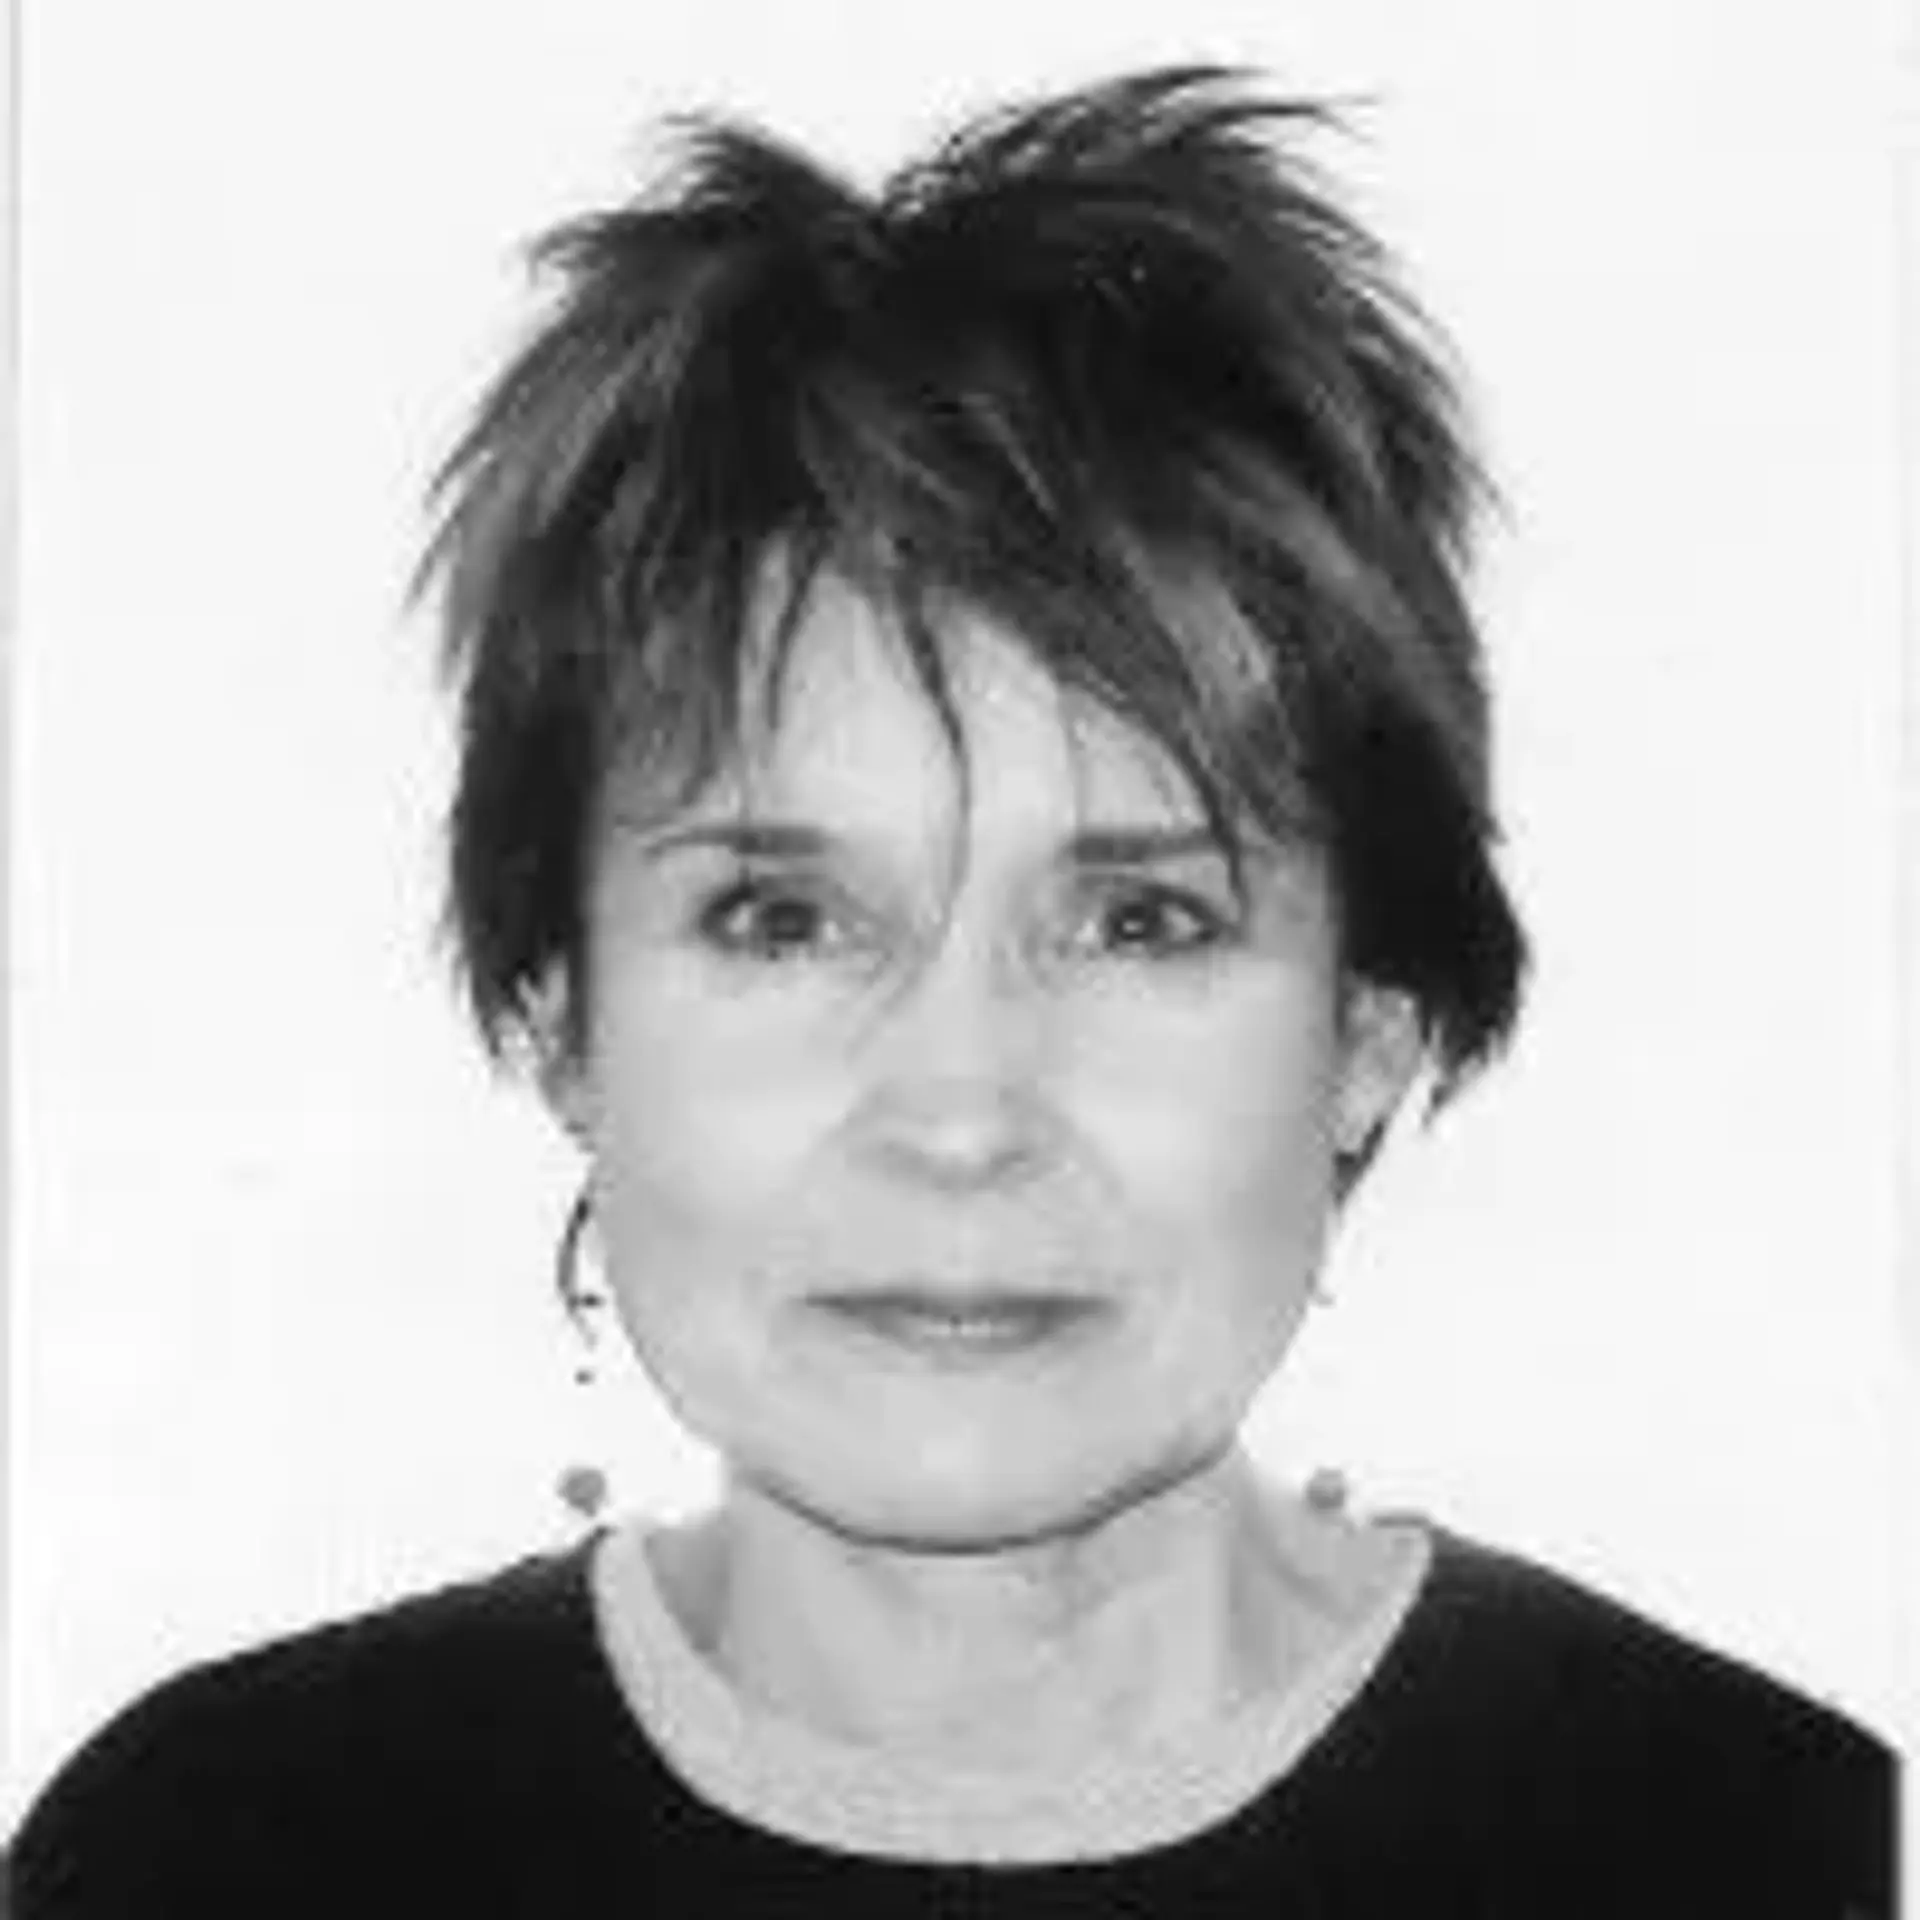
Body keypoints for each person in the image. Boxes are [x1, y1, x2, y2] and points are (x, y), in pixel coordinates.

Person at [7, 63, 1896, 1917]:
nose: (962, 1110)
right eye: (780, 918)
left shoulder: (1784, 1855)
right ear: (561, 1018)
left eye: (1141, 921)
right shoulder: (208, 1857)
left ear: (1371, 1026)